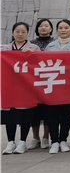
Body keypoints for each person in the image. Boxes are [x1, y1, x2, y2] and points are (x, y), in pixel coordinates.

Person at [45, 20, 70, 154]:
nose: (63, 30)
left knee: (66, 114)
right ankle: (54, 141)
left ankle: (63, 139)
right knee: (53, 115)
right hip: (53, 85)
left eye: (66, 27)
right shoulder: (50, 46)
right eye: (60, 28)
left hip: (69, 86)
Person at [2, 23, 40, 155]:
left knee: (25, 114)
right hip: (9, 87)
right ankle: (10, 142)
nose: (20, 34)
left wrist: (32, 55)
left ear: (27, 33)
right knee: (10, 115)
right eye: (17, 31)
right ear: (12, 33)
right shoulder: (5, 49)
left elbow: (40, 64)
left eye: (23, 32)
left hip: (26, 87)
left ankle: (23, 141)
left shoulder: (34, 48)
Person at [29, 18, 54, 149]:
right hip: (34, 82)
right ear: (37, 29)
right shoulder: (31, 44)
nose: (43, 28)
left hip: (50, 80)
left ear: (51, 28)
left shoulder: (55, 43)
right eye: (41, 26)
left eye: (46, 25)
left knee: (48, 111)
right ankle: (35, 137)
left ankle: (45, 137)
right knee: (34, 111)